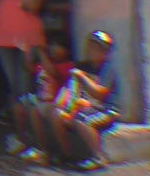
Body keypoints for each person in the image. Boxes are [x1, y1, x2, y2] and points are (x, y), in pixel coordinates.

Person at [46, 31, 118, 171]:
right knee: (56, 114)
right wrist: (61, 102)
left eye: (97, 49)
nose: (92, 51)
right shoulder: (82, 66)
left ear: (105, 53)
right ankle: (66, 155)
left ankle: (98, 157)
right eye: (90, 46)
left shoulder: (107, 69)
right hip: (81, 106)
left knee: (81, 119)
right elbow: (69, 87)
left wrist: (82, 77)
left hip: (105, 109)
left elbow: (100, 94)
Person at [9, 35, 74, 163]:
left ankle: (43, 150)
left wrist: (40, 52)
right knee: (18, 107)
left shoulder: (67, 65)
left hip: (55, 103)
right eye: (53, 46)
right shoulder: (42, 64)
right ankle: (22, 140)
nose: (55, 49)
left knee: (35, 111)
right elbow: (29, 68)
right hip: (41, 99)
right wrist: (26, 51)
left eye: (59, 46)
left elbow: (52, 72)